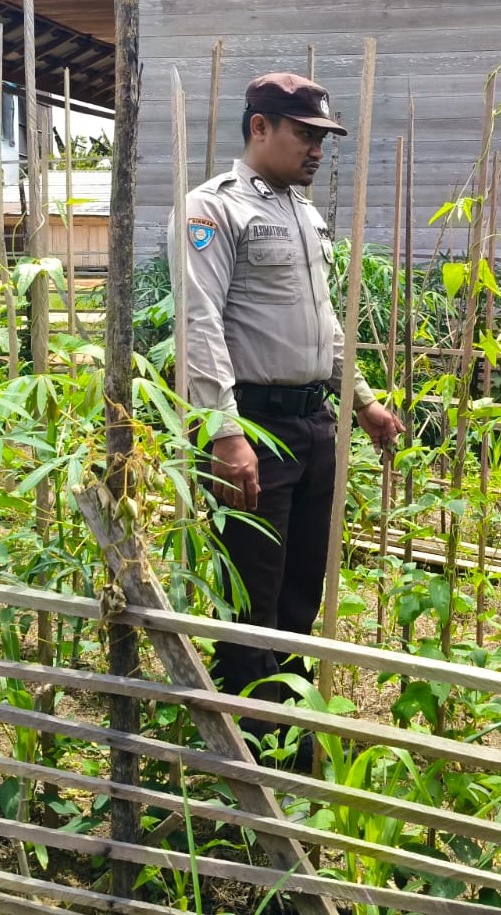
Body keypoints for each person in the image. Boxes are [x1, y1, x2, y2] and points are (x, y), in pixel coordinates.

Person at [170, 71, 404, 723]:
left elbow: (325, 322)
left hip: (313, 427)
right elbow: (198, 321)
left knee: (302, 597)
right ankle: (249, 774)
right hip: (254, 434)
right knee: (252, 607)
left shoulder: (305, 215)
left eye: (322, 138)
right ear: (260, 128)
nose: (317, 150)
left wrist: (360, 403)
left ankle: (289, 744)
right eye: (305, 135)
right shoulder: (213, 208)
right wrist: (225, 432)